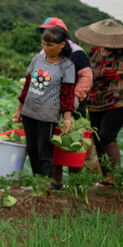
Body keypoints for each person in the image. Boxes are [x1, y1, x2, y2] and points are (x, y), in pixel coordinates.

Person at [74, 19, 123, 184]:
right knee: (97, 137)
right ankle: (106, 177)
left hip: (118, 100)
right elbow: (85, 73)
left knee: (107, 135)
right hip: (95, 101)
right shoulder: (94, 52)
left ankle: (115, 177)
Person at [13, 26, 75, 183]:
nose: (45, 48)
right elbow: (27, 85)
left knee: (44, 151)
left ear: (62, 45)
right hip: (29, 112)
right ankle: (37, 182)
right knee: (32, 150)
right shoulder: (37, 59)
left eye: (50, 45)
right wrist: (19, 109)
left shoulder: (67, 66)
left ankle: (46, 185)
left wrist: (67, 119)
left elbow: (67, 95)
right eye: (43, 44)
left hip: (48, 115)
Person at [37, 17, 95, 181]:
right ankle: (55, 183)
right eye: (44, 32)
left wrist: (75, 97)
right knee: (53, 140)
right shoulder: (44, 52)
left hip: (75, 103)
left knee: (73, 141)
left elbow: (86, 77)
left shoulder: (77, 53)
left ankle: (75, 183)